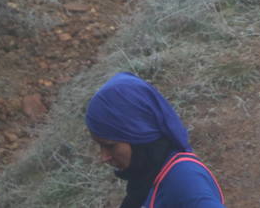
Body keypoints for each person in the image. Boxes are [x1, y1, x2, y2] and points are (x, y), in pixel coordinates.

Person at [86, 72, 226, 208]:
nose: (104, 157)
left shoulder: (184, 179)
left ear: (138, 135)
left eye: (110, 146)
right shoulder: (146, 176)